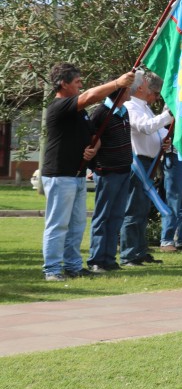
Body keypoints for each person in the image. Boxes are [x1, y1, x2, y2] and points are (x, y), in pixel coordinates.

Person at [40, 63, 135, 281]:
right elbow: (91, 96)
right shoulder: (60, 106)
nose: (81, 86)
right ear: (63, 84)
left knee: (76, 225)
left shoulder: (80, 114)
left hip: (77, 175)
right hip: (59, 175)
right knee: (58, 224)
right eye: (77, 82)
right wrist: (117, 83)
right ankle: (52, 269)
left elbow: (95, 138)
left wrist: (94, 149)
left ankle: (73, 266)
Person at [122, 72, 172, 266]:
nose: (156, 97)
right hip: (137, 164)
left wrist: (163, 141)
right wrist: (168, 115)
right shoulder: (130, 106)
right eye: (155, 93)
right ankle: (129, 254)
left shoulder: (144, 107)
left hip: (149, 164)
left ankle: (140, 251)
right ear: (142, 88)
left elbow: (156, 131)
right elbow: (146, 127)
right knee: (133, 210)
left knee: (142, 210)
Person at [87, 86, 134, 273]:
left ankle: (109, 258)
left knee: (116, 216)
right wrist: (94, 166)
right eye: (127, 89)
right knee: (103, 216)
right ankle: (96, 259)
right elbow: (91, 142)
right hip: (107, 171)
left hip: (124, 171)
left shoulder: (124, 111)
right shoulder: (101, 113)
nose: (130, 91)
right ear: (119, 93)